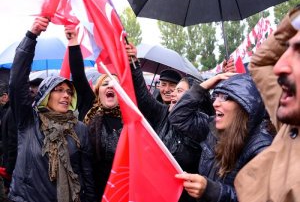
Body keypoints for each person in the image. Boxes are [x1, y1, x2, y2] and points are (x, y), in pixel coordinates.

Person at [8, 17, 96, 202]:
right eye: (58, 90)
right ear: (45, 95)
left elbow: (86, 175)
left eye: (69, 92)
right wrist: (31, 36)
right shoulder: (29, 121)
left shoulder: (79, 129)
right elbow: (17, 81)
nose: (66, 95)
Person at [127, 43, 214, 202]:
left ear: (192, 99)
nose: (171, 93)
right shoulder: (162, 113)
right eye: (173, 89)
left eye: (179, 90)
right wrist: (133, 63)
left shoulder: (203, 126)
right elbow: (142, 97)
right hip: (156, 192)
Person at [234, 6, 300, 201]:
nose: (279, 67)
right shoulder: (291, 124)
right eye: (287, 49)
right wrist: (297, 18)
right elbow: (261, 63)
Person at [175, 73, 273, 201]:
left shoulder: (262, 149)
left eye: (225, 97)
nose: (215, 103)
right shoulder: (212, 127)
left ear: (245, 104)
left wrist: (211, 190)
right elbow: (178, 116)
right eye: (216, 96)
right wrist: (206, 85)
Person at [66, 26, 123, 200]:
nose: (110, 86)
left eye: (115, 83)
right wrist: (73, 43)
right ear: (98, 91)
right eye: (105, 84)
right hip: (91, 188)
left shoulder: (130, 118)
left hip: (120, 188)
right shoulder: (89, 107)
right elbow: (78, 75)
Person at [1, 77, 43, 197]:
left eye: (35, 87)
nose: (32, 90)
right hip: (16, 167)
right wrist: (9, 168)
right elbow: (13, 142)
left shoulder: (15, 111)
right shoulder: (14, 112)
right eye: (31, 87)